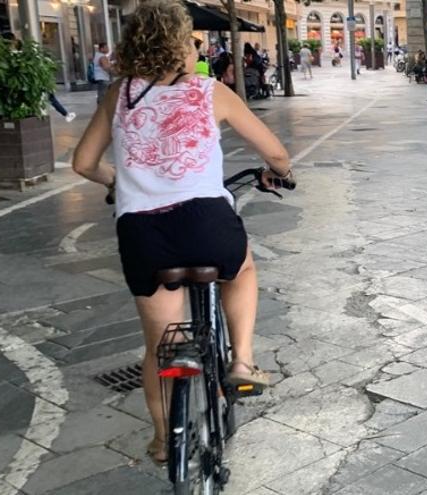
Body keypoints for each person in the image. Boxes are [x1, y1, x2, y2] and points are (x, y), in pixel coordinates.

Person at [71, 0, 292, 465]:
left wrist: (118, 180)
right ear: (180, 45)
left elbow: (82, 164)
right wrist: (278, 171)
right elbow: (276, 152)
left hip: (143, 233)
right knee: (243, 270)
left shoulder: (120, 94)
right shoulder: (210, 91)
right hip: (205, 221)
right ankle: (242, 362)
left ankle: (160, 440)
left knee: (159, 345)